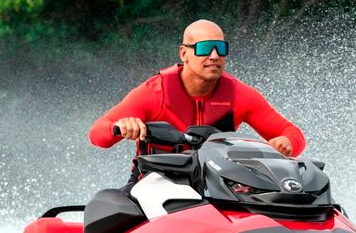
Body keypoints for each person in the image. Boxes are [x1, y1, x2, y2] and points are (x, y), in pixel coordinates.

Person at [89, 19, 306, 188]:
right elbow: (97, 134)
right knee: (109, 208)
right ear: (184, 53)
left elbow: (293, 134)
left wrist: (287, 143)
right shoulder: (154, 93)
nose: (214, 56)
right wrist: (119, 128)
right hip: (154, 182)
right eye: (204, 48)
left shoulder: (240, 95)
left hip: (219, 186)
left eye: (221, 48)